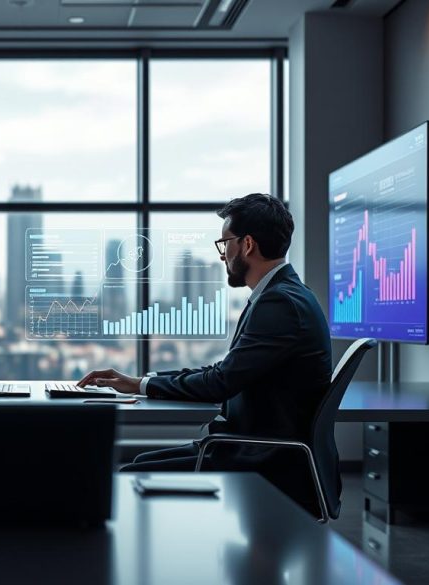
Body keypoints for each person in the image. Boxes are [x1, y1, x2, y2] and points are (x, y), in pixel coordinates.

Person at [78, 193, 335, 513]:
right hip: (257, 446)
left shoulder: (280, 303)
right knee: (140, 462)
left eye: (225, 243)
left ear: (247, 245)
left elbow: (221, 382)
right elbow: (227, 371)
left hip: (267, 457)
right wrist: (141, 381)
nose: (222, 254)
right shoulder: (281, 294)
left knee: (133, 472)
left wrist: (143, 385)